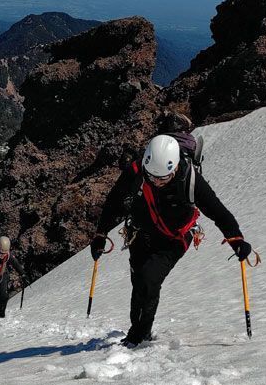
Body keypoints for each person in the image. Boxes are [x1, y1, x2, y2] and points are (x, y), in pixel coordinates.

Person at [90, 134, 252, 348]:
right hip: (139, 233)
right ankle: (139, 330)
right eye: (152, 177)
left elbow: (217, 211)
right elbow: (113, 201)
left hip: (174, 239)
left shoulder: (191, 179)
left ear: (174, 168)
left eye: (163, 178)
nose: (156, 182)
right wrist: (100, 235)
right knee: (139, 282)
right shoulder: (137, 171)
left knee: (149, 279)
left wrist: (236, 239)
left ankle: (138, 337)